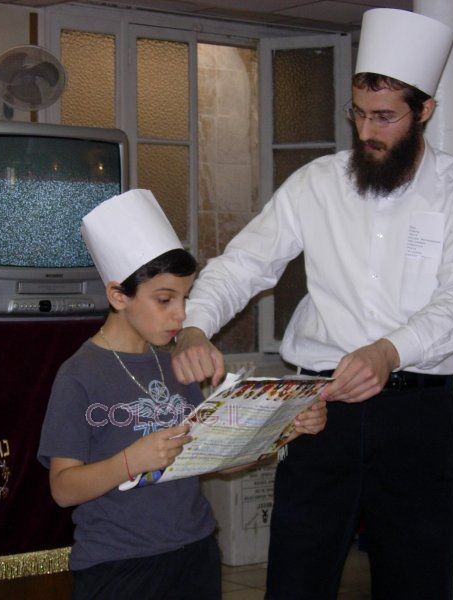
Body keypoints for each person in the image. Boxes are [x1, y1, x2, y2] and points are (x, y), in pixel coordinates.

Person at [171, 8, 453, 600]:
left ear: (424, 111)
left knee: (416, 583)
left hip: (416, 413)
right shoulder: (316, 184)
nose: (367, 131)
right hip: (319, 409)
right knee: (297, 580)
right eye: (359, 114)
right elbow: (245, 263)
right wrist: (196, 325)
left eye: (385, 117)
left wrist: (388, 351)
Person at [37, 189, 327, 600]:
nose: (181, 314)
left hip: (195, 552)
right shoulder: (79, 374)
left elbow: (219, 461)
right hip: (117, 565)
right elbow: (63, 489)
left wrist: (284, 427)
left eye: (185, 298)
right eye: (165, 299)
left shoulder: (175, 362)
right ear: (118, 295)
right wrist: (130, 461)